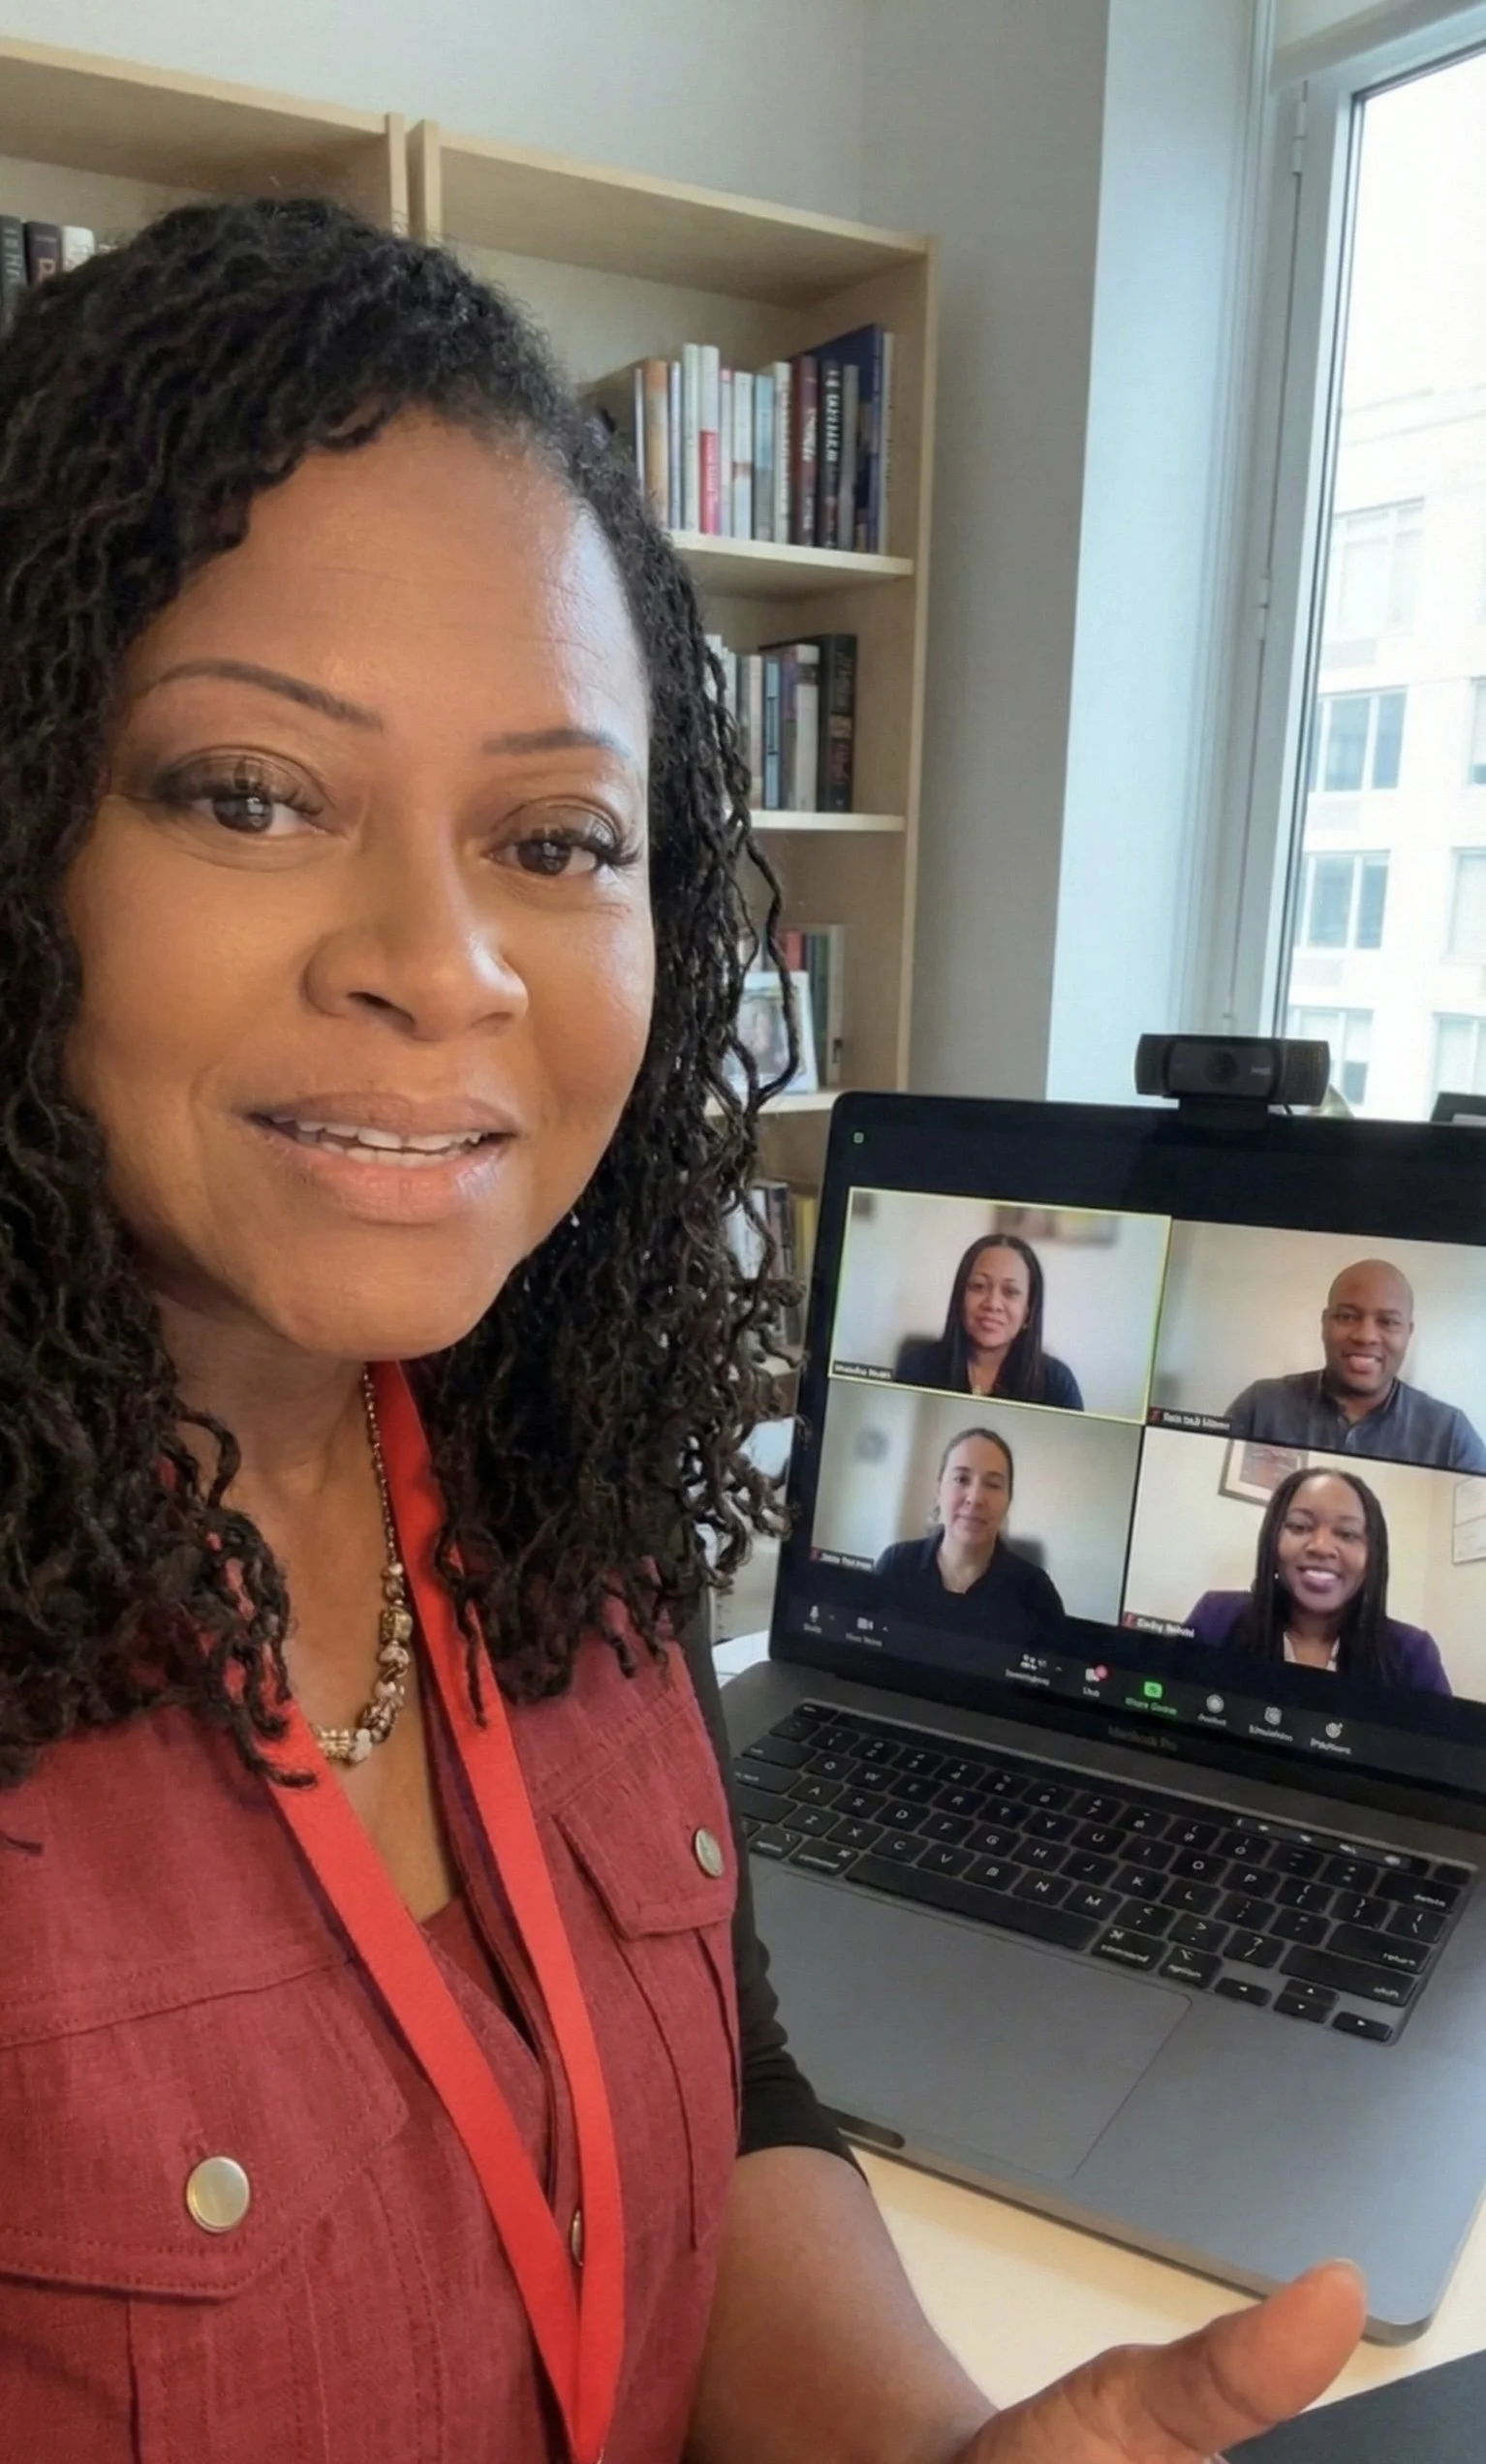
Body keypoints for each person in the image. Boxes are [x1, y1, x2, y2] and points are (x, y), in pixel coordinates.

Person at [0, 195, 1363, 2464]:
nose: (442, 965)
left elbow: (711, 2099)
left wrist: (938, 2453)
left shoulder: (560, 1484)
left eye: (555, 839)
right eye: (249, 794)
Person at [1187, 1468, 1451, 1692]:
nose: (1321, 1547)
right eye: (1300, 1527)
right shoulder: (1216, 1618)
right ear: (1272, 1540)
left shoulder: (1414, 1655)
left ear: (1373, 1556)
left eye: (1347, 1534)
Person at [1225, 1257, 1486, 1471]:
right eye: (1347, 1317)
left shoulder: (1450, 1435)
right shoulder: (1261, 1406)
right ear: (1325, 1323)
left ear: (1409, 1333)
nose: (1365, 1336)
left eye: (1388, 1322)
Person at [874, 1430, 1066, 1651]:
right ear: (939, 1491)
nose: (975, 1498)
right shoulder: (896, 1563)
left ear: (1008, 1501)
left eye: (993, 1484)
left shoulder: (1036, 1592)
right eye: (961, 1479)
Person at [894, 1234, 1084, 1408]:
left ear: (1028, 1312)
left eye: (1010, 1292)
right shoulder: (917, 1365)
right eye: (979, 1286)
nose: (993, 1304)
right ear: (960, 1298)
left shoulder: (1056, 1383)